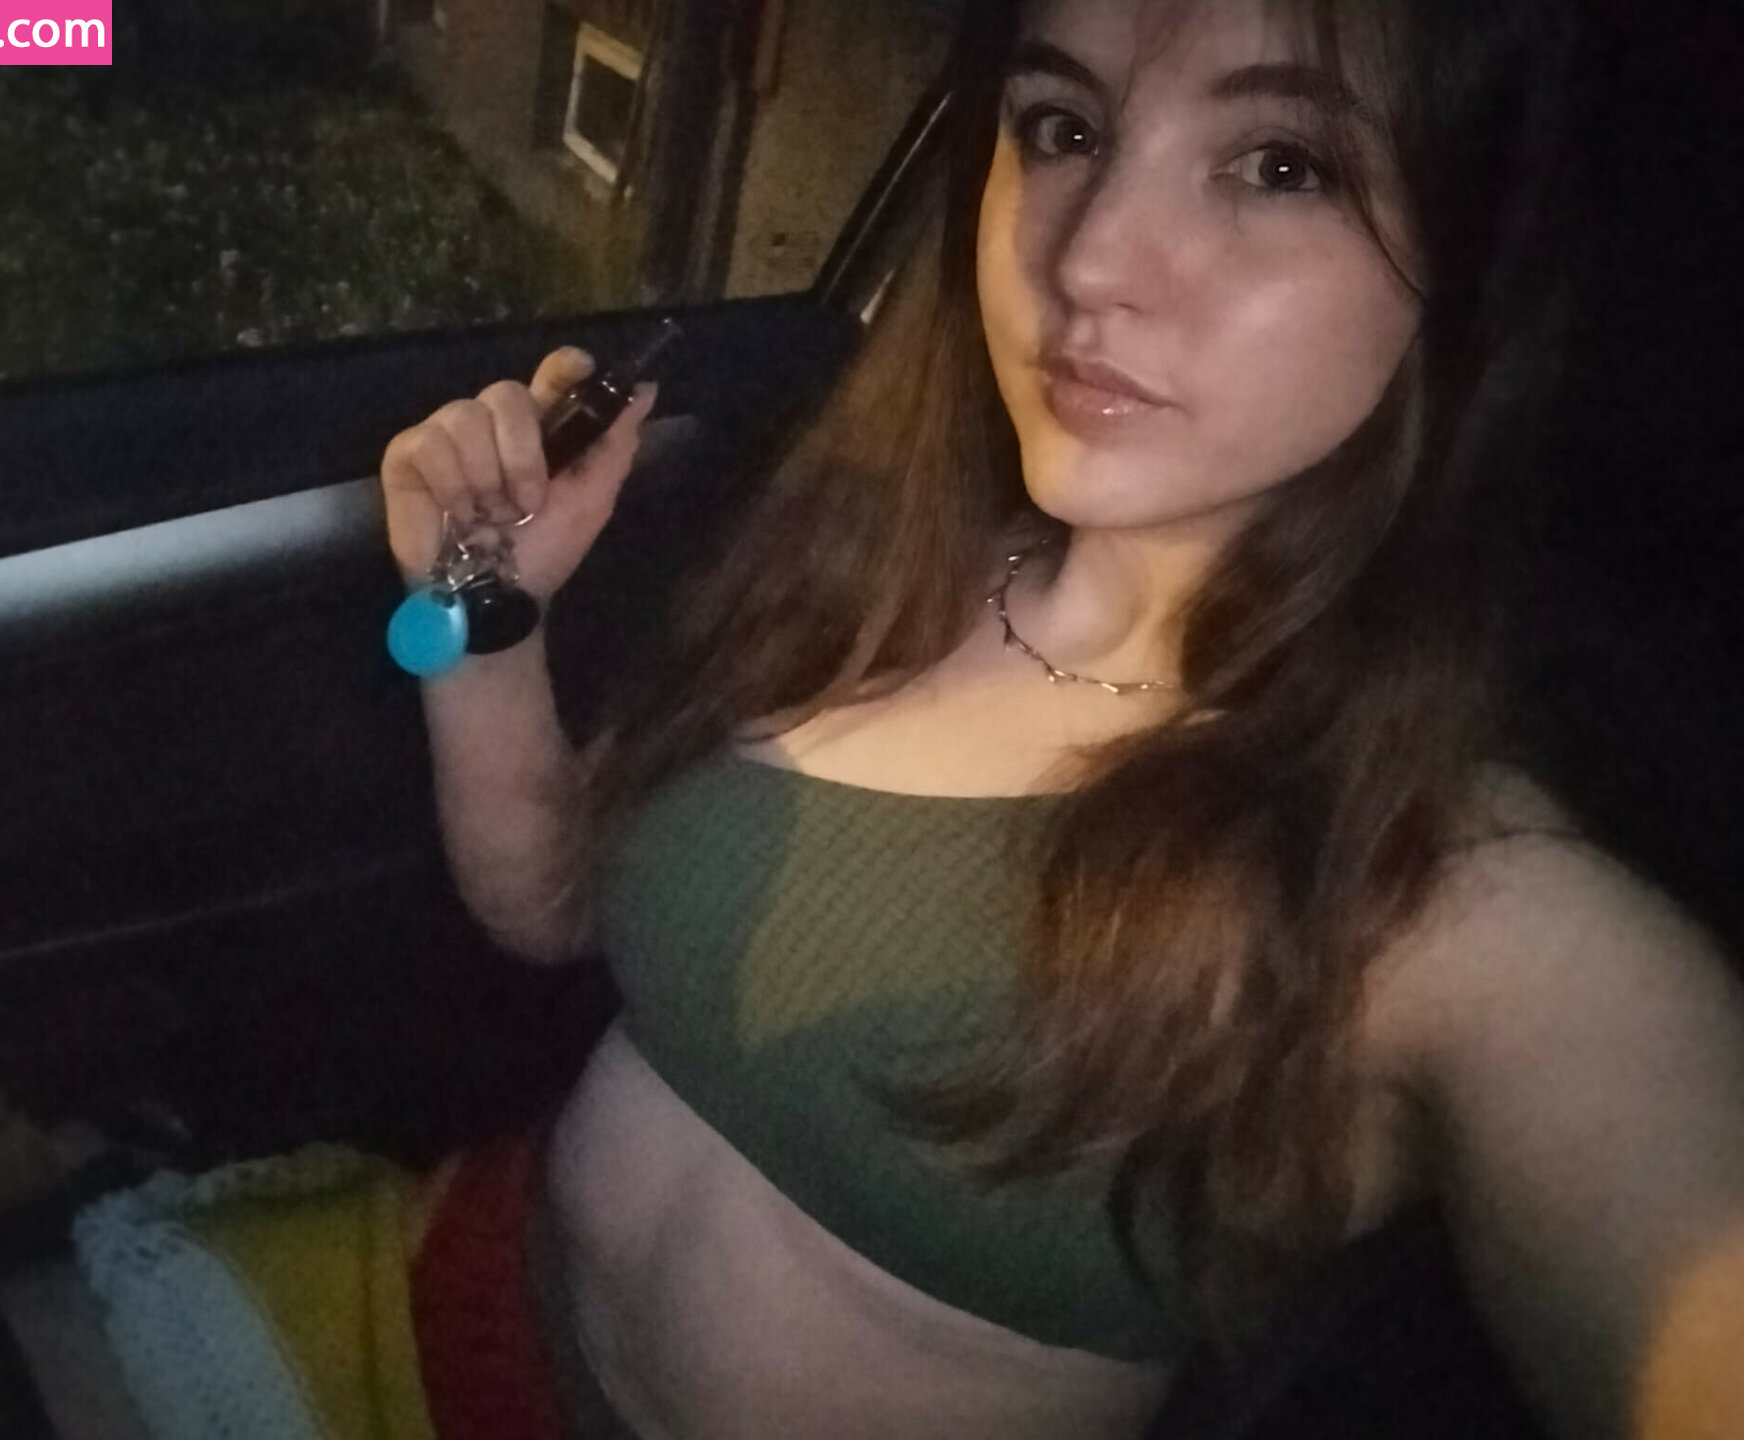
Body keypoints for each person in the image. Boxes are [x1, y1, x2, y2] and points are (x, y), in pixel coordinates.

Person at [377, 1, 1744, 1437]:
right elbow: (552, 904)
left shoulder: (1461, 894)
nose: (1087, 260)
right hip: (427, 1293)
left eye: (1279, 165)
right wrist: (485, 614)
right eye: (1065, 128)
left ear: (1462, 259)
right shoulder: (868, 567)